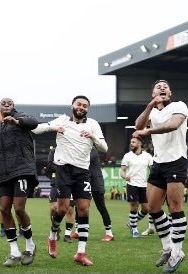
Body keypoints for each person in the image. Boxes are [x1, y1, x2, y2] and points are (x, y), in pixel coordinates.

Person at [34, 95, 108, 267]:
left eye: (85, 105)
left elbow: (104, 148)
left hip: (82, 171)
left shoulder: (93, 124)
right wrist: (53, 127)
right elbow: (37, 129)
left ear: (88, 109)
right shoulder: (62, 120)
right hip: (63, 170)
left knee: (84, 209)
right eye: (78, 104)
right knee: (62, 209)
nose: (81, 107)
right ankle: (52, 236)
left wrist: (92, 137)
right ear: (72, 106)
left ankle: (81, 253)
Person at [132, 79, 188, 273]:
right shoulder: (153, 111)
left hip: (176, 160)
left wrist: (148, 130)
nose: (162, 87)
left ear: (170, 93)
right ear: (153, 93)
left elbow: (173, 125)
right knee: (153, 207)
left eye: (165, 86)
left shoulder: (179, 106)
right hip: (159, 163)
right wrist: (150, 106)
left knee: (175, 207)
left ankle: (177, 253)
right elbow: (137, 125)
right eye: (158, 86)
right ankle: (167, 248)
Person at [0, 97, 40, 266]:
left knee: (18, 208)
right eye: (3, 103)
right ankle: (14, 251)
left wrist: (16, 121)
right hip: (4, 174)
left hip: (22, 170)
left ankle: (30, 245)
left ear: (13, 107)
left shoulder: (22, 119)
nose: (6, 104)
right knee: (4, 209)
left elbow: (34, 123)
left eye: (9, 103)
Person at [120, 137, 154, 238]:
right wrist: (125, 176)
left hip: (144, 185)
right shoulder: (127, 156)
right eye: (131, 142)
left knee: (146, 209)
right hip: (132, 184)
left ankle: (131, 222)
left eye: (133, 142)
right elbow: (122, 170)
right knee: (134, 206)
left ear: (139, 143)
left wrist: (152, 180)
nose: (131, 143)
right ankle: (134, 229)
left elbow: (152, 170)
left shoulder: (147, 156)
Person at [88, 149, 114, 241]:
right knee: (80, 206)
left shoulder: (92, 150)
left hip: (96, 183)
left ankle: (109, 233)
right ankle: (78, 231)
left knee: (101, 207)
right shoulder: (82, 148)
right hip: (85, 181)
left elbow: (85, 159)